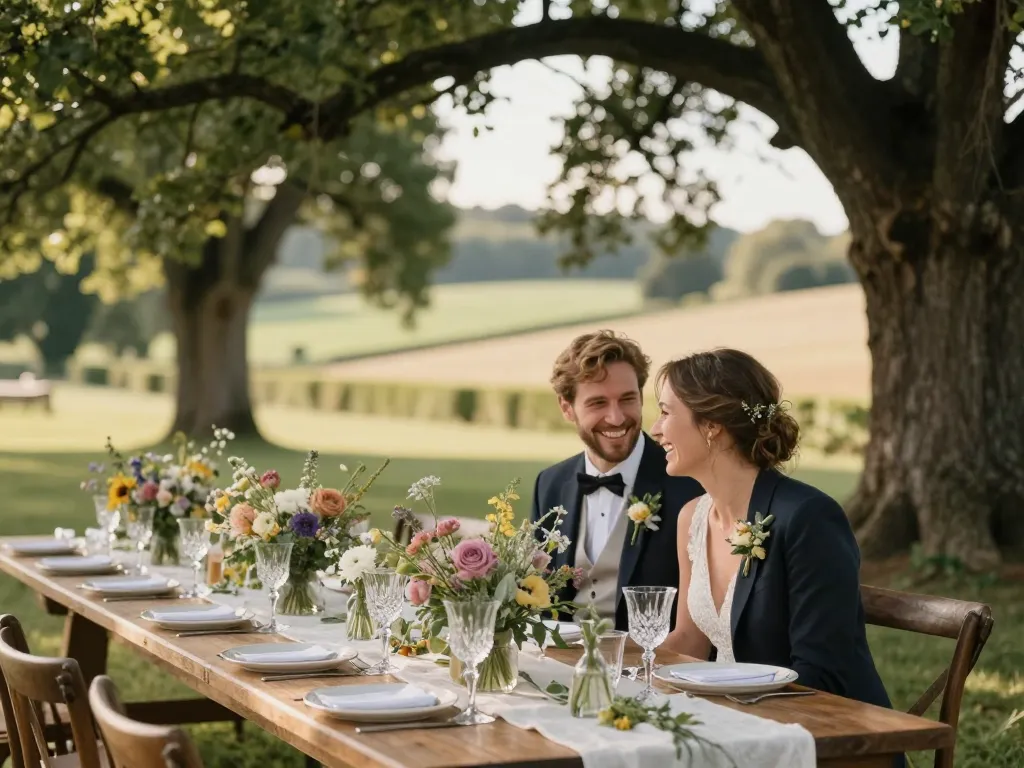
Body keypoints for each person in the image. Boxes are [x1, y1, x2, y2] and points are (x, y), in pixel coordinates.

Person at [653, 347, 893, 711]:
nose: (655, 429)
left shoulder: (809, 518)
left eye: (665, 413)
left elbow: (821, 673)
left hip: (821, 729)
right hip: (727, 715)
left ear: (712, 426)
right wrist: (624, 674)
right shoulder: (692, 518)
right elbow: (689, 639)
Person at [530, 330, 703, 630]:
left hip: (652, 668)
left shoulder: (688, 484)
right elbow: (537, 598)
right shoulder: (549, 484)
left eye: (627, 399)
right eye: (598, 403)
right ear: (566, 407)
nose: (616, 417)